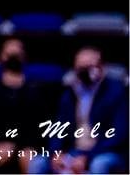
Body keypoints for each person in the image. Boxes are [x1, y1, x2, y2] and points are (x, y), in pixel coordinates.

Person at [37, 47, 127, 175]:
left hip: (105, 152)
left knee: (99, 165)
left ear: (102, 67)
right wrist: (56, 152)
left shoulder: (116, 92)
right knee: (38, 163)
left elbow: (118, 135)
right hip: (74, 151)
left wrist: (88, 156)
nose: (85, 72)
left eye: (89, 67)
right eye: (81, 68)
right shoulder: (70, 93)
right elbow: (58, 127)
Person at [0, 38, 50, 174]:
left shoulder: (35, 92)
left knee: (28, 156)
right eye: (9, 55)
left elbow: (39, 127)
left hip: (24, 145)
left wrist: (14, 146)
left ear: (24, 58)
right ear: (0, 59)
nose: (13, 60)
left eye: (16, 56)